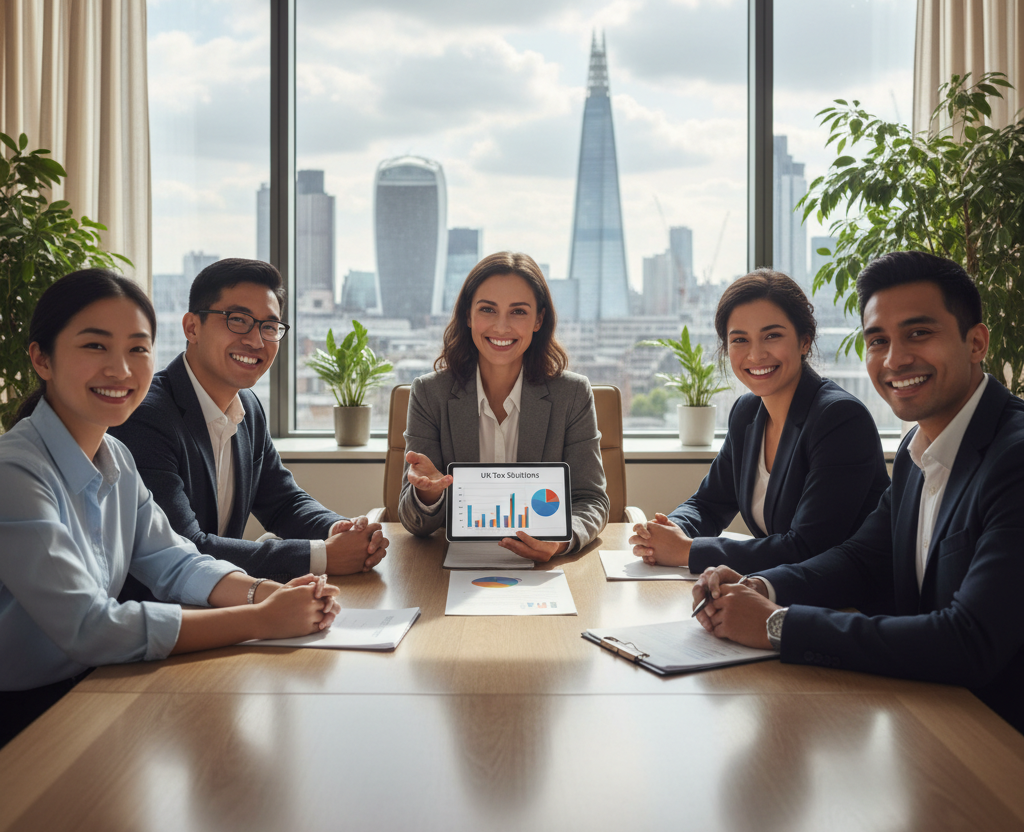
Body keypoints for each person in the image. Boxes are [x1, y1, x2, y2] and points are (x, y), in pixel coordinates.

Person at [0, 269, 341, 747]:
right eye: (95, 346)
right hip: (25, 714)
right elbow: (90, 627)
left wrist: (265, 593)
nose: (121, 369)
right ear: (42, 358)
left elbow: (177, 561)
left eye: (137, 348)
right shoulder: (14, 472)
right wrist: (260, 619)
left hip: (100, 687)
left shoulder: (113, 455)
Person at [692, 252, 1024, 733]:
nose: (895, 359)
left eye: (919, 333)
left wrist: (776, 624)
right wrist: (760, 587)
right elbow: (858, 559)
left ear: (976, 342)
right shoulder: (918, 448)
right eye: (878, 340)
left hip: (997, 738)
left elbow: (968, 640)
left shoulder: (1013, 458)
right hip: (925, 715)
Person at [110, 259, 386, 601]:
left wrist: (341, 529)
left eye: (269, 327)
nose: (256, 340)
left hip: (220, 609)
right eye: (238, 320)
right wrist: (322, 556)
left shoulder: (249, 407)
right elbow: (184, 547)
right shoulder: (146, 416)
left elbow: (282, 503)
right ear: (192, 327)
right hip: (158, 622)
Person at [630, 269, 889, 575]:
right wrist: (666, 531)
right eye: (740, 339)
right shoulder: (747, 412)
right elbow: (709, 504)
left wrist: (687, 550)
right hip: (779, 592)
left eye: (772, 335)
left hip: (850, 604)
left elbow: (809, 547)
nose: (755, 354)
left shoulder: (840, 419)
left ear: (804, 341)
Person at [398, 252, 609, 561]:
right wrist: (430, 491)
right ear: (468, 315)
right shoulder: (430, 394)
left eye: (518, 312)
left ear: (539, 319)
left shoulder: (572, 394)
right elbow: (414, 521)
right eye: (487, 309)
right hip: (450, 569)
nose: (501, 326)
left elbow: (591, 500)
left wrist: (560, 541)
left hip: (543, 570)